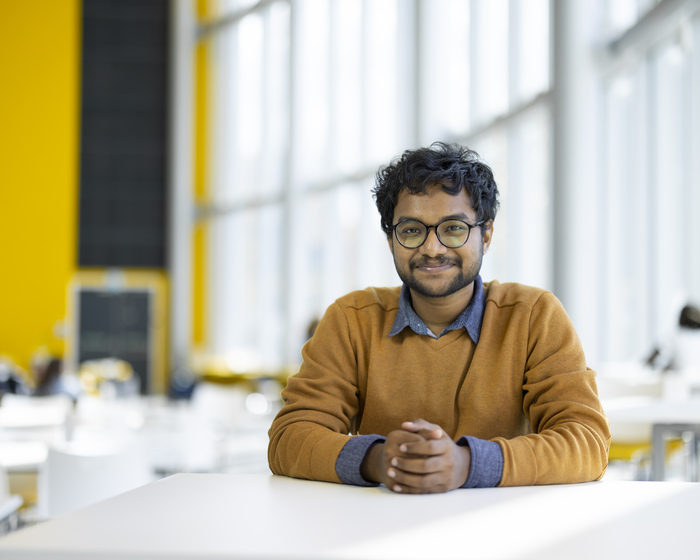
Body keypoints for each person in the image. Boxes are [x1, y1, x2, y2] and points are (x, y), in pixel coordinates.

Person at [268, 142, 610, 494]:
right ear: (391, 240)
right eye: (412, 230)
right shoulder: (351, 318)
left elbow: (586, 442)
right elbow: (289, 437)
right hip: (375, 527)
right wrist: (380, 459)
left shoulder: (533, 315)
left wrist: (466, 464)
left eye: (453, 228)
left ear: (486, 234)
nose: (432, 248)